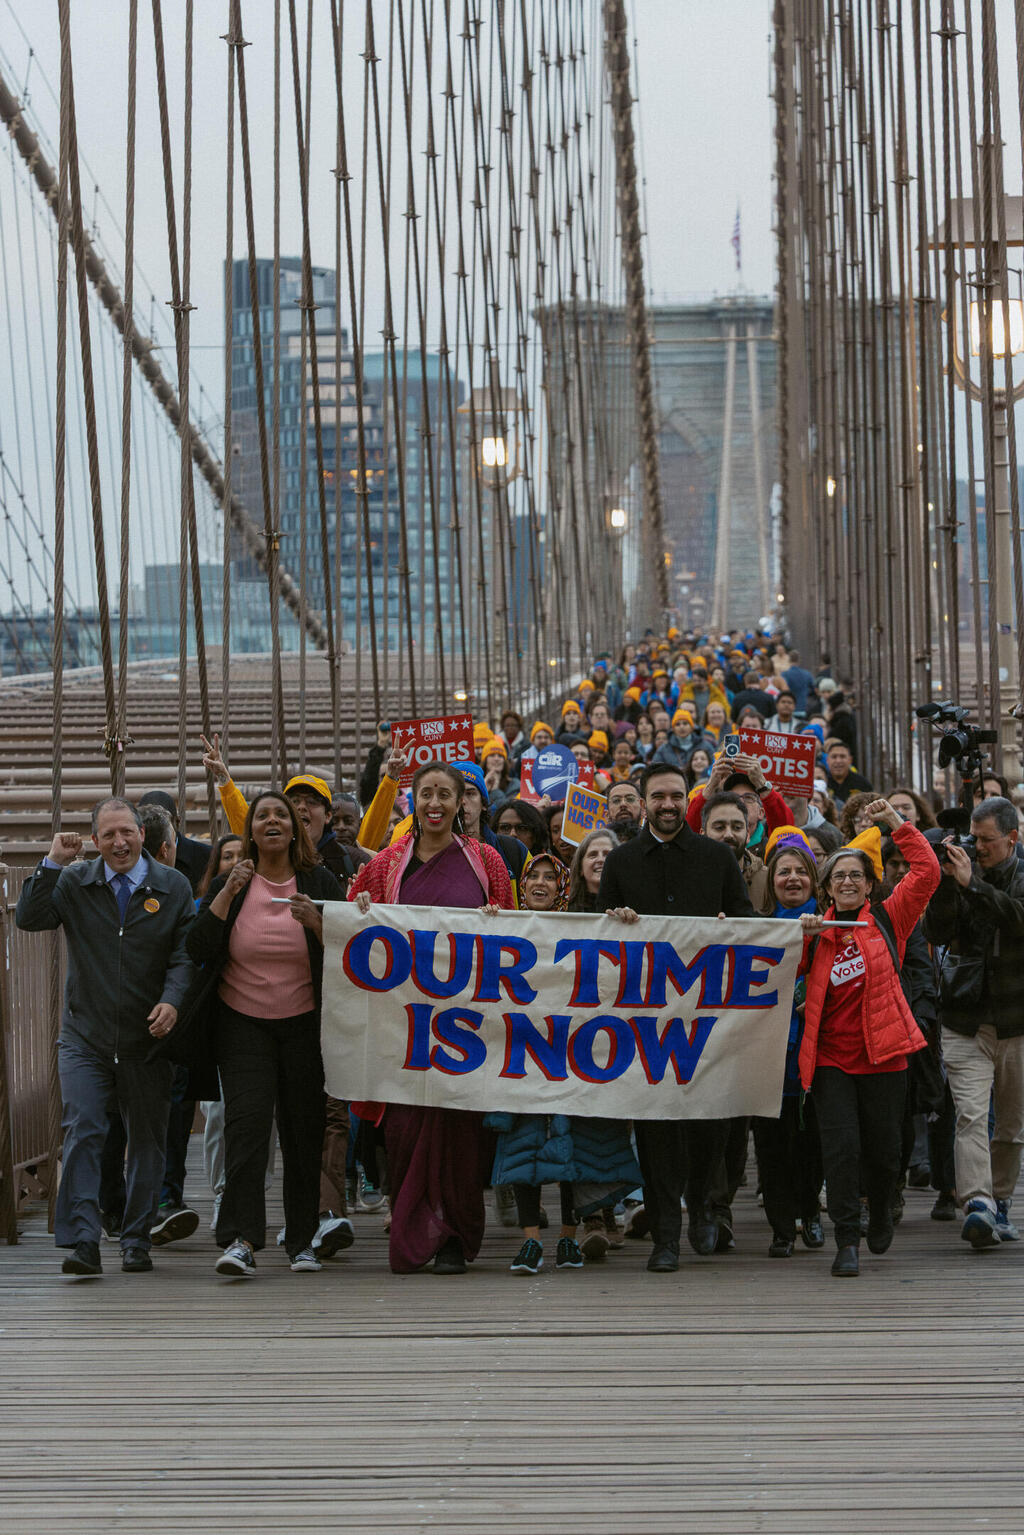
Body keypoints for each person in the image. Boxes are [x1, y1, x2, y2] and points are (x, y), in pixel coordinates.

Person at [15, 797, 195, 1277]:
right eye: (109, 835)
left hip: (148, 1038)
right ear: (95, 841)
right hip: (85, 1035)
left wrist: (173, 1000)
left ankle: (136, 1239)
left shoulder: (172, 886)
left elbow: (184, 955)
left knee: (147, 1142)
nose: (120, 842)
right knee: (84, 1129)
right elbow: (29, 917)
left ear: (142, 834)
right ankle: (83, 1241)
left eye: (127, 832)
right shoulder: (75, 880)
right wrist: (52, 862)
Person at [348, 763, 514, 1274]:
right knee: (404, 1132)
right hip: (405, 1030)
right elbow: (356, 922)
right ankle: (415, 1229)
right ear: (412, 803)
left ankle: (454, 1240)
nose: (437, 803)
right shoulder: (386, 864)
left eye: (448, 794)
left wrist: (497, 923)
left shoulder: (487, 861)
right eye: (427, 794)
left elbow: (516, 937)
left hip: (466, 1028)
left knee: (462, 1137)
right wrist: (361, 907)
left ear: (464, 803)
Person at [173, 791, 344, 1279]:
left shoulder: (318, 880)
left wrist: (319, 924)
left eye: (281, 815)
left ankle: (302, 1240)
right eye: (262, 816)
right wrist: (227, 893)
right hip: (241, 1022)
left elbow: (350, 951)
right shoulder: (232, 880)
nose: (272, 821)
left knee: (302, 1129)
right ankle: (243, 1239)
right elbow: (199, 945)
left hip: (305, 1023)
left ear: (295, 829)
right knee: (245, 1129)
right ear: (250, 831)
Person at [598, 763, 754, 1272]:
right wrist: (615, 922)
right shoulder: (620, 862)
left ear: (686, 800)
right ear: (644, 802)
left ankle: (706, 1205)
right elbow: (599, 937)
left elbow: (748, 925)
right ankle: (666, 1236)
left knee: (710, 1126)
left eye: (675, 796)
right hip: (645, 1024)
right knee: (657, 1132)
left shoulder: (717, 857)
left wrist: (733, 928)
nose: (667, 805)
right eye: (658, 797)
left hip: (705, 1018)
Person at [798, 799, 940, 1277]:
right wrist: (802, 939)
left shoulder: (889, 918)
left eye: (856, 875)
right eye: (838, 877)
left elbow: (927, 872)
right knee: (841, 1151)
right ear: (827, 888)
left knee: (884, 1151)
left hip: (886, 1057)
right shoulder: (814, 931)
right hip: (831, 1060)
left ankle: (881, 1209)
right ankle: (846, 1240)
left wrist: (896, 824)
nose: (847, 883)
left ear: (870, 882)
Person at [922, 795, 1024, 1249]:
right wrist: (948, 883)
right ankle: (979, 1204)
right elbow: (937, 932)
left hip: (1016, 1020)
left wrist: (975, 886)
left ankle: (1001, 1201)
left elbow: (1017, 919)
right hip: (965, 1019)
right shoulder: (962, 872)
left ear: (1012, 837)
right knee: (970, 1115)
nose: (977, 848)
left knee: (1011, 1126)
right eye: (973, 839)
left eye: (986, 841)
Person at [751, 833, 825, 1257]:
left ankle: (810, 1212)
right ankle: (781, 1228)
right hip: (767, 1055)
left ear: (814, 880)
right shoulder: (755, 926)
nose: (792, 879)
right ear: (772, 881)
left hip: (815, 1057)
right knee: (771, 1146)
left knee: (811, 1144)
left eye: (800, 872)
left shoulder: (834, 922)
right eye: (784, 872)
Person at [700, 792, 771, 913]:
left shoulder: (768, 881)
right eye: (719, 827)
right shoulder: (687, 876)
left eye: (737, 827)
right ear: (702, 833)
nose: (728, 834)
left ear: (748, 834)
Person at [138, 789, 211, 894]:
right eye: (148, 821)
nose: (156, 827)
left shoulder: (207, 858)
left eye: (162, 821)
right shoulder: (127, 859)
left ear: (177, 822)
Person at [566, 827, 618, 913]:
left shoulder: (630, 905)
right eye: (593, 855)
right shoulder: (564, 909)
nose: (601, 859)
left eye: (607, 854)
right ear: (580, 868)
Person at [824, 740, 872, 807]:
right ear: (827, 760)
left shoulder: (863, 784)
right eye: (834, 757)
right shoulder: (822, 781)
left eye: (842, 756)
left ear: (850, 760)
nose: (838, 761)